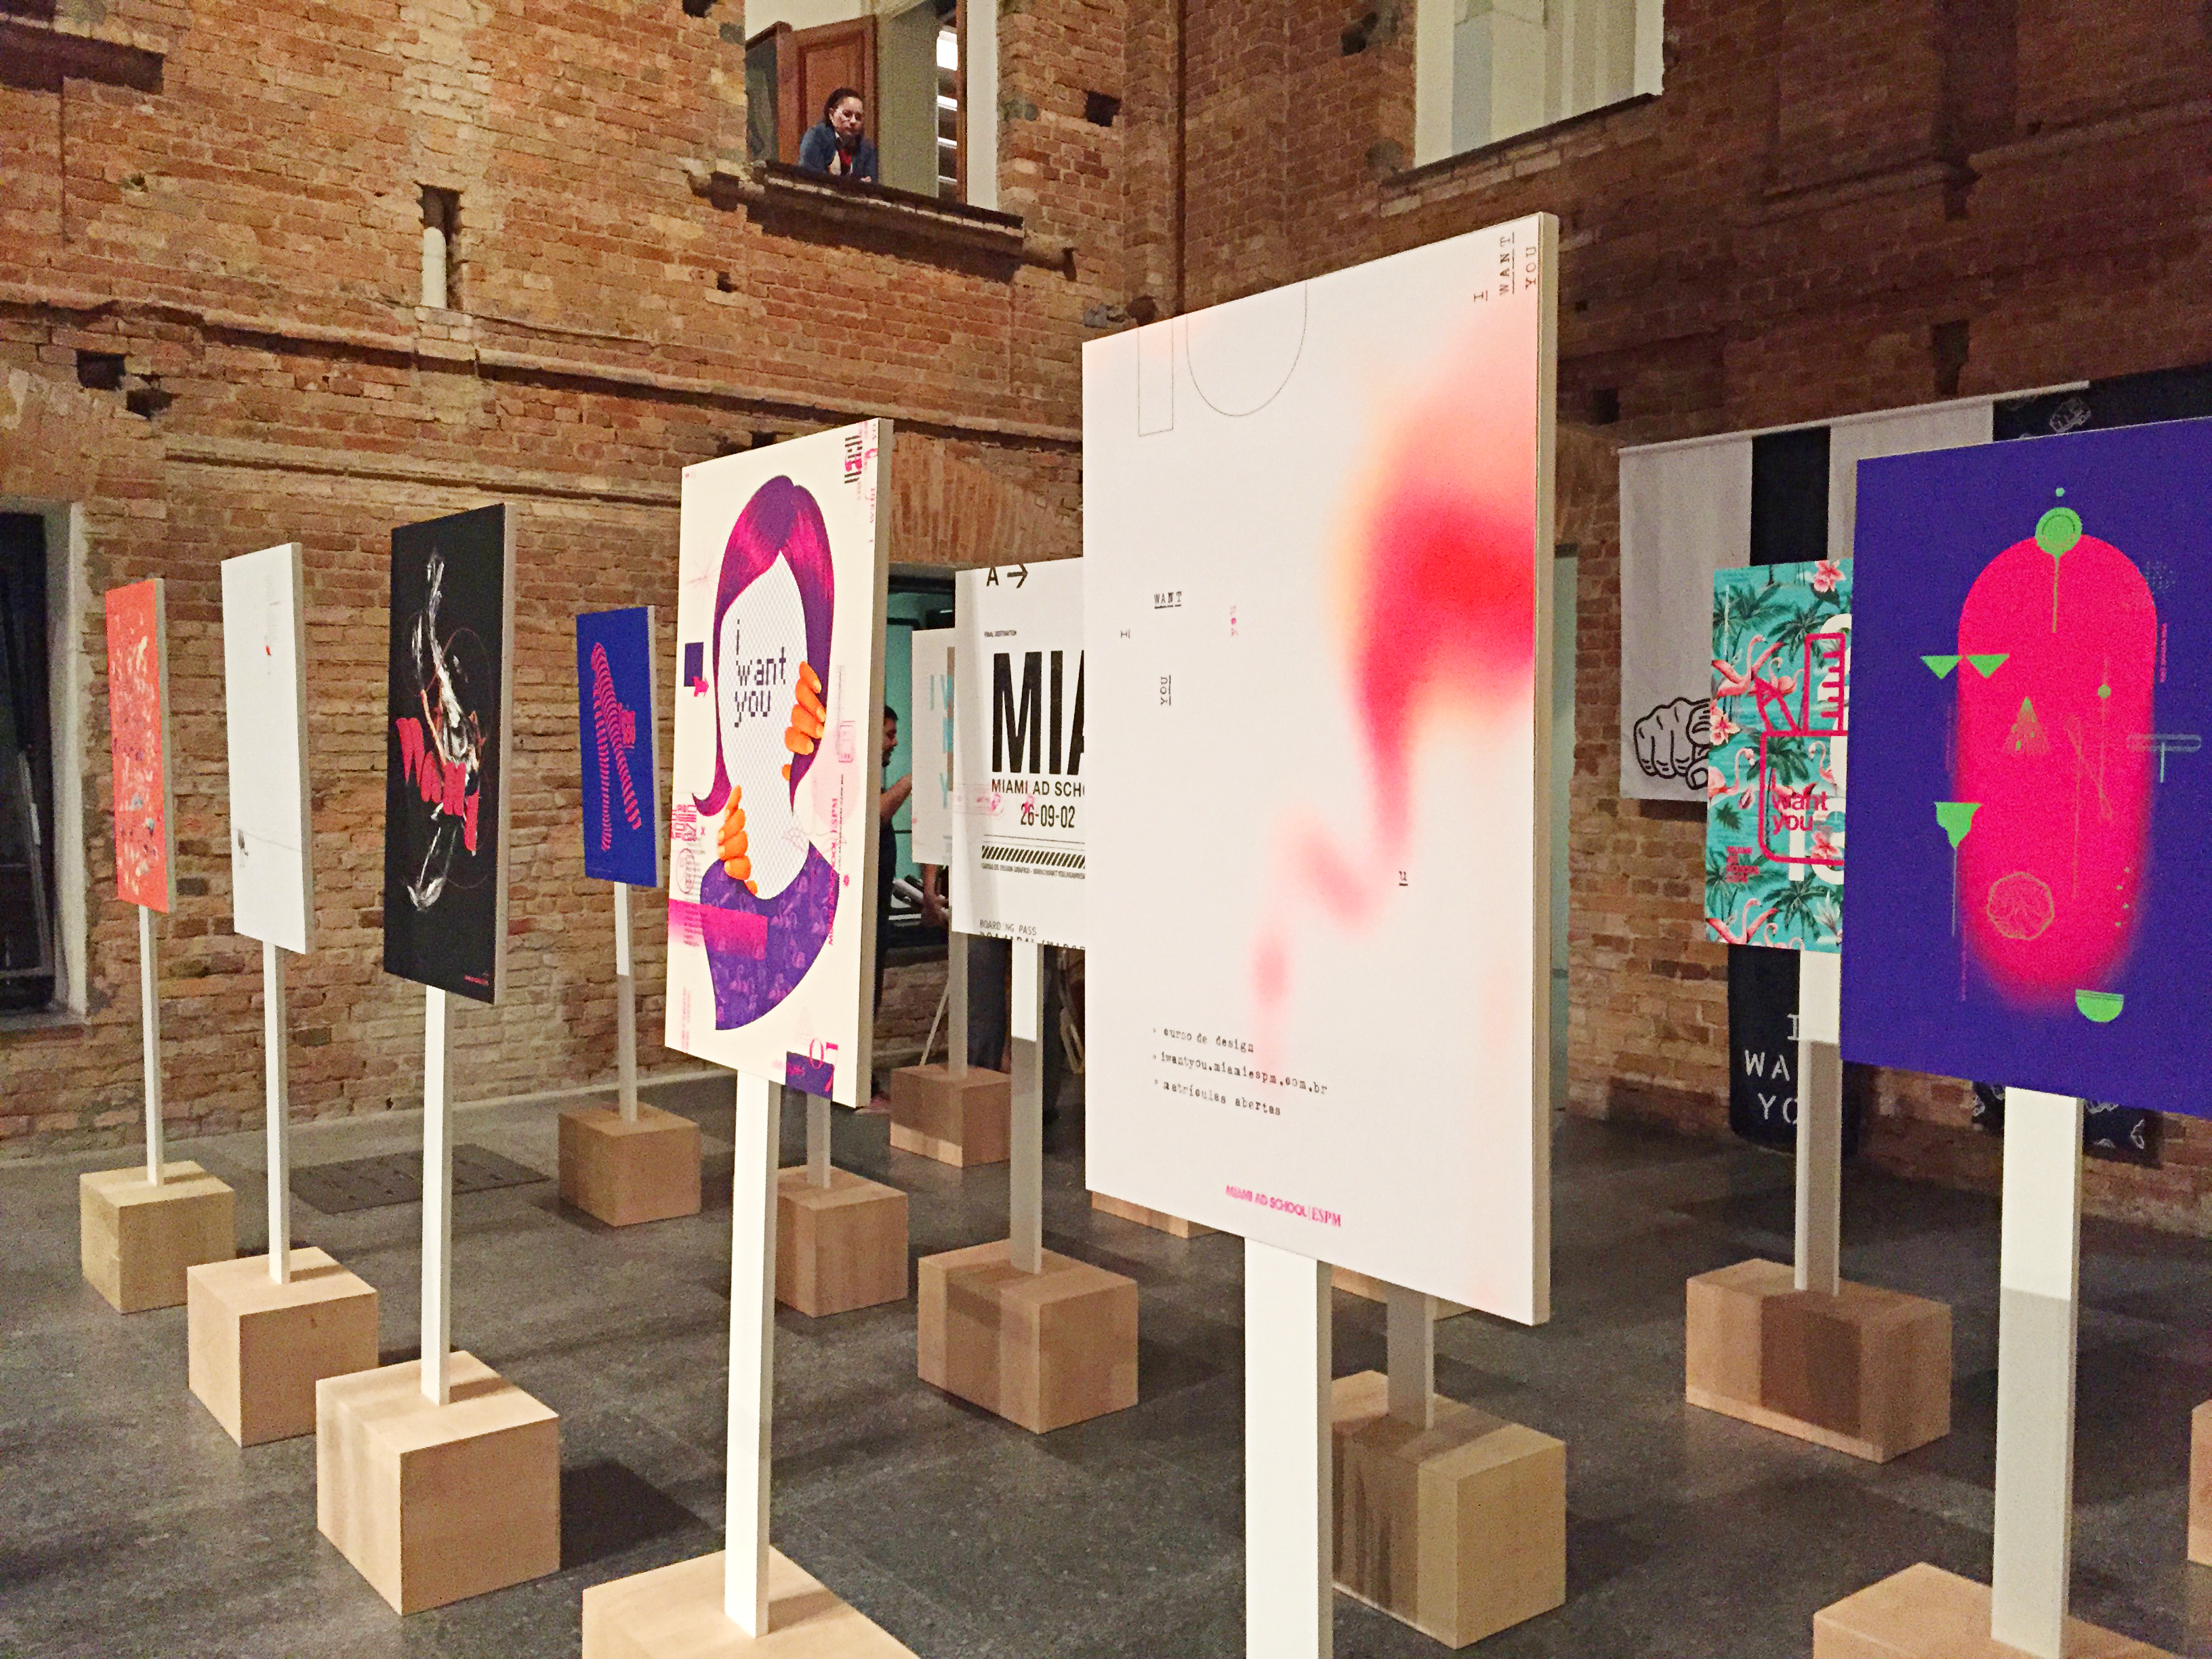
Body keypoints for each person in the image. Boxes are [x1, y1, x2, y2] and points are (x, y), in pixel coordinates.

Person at [876, 703, 912, 1017]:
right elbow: (875, 816)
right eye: (889, 735)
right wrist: (912, 779)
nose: (895, 742)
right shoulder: (853, 780)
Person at [798, 87, 878, 182]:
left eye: (858, 117)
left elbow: (872, 184)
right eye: (847, 114)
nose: (853, 121)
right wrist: (854, 186)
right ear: (831, 115)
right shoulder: (816, 137)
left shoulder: (867, 148)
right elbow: (811, 178)